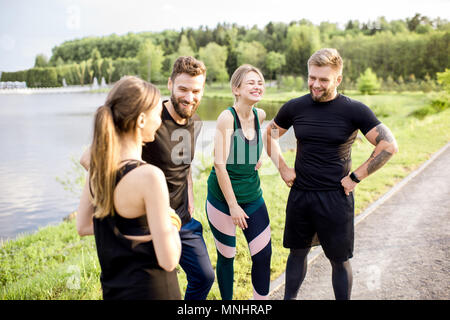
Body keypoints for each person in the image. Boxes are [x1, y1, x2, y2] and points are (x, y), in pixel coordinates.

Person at [264, 48, 398, 300]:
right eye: (312, 77)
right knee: (297, 252)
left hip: (335, 197)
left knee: (339, 260)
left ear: (338, 79)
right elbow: (269, 134)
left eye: (323, 79)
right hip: (301, 195)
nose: (315, 84)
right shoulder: (295, 106)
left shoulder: (354, 110)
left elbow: (388, 145)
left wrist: (356, 177)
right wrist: (282, 167)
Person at [80, 56, 214, 300]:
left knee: (204, 276)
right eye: (183, 89)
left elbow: (185, 164)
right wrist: (120, 200)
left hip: (181, 218)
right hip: (146, 221)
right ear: (170, 84)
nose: (189, 97)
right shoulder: (148, 118)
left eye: (196, 90)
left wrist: (190, 195)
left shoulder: (196, 122)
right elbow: (91, 156)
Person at [77, 76, 182, 300]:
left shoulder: (98, 171)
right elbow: (169, 259)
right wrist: (172, 221)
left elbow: (84, 225)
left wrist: (138, 233)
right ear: (141, 120)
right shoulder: (149, 176)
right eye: (157, 113)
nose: (160, 120)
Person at [206, 64, 271, 300]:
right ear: (236, 89)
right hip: (222, 199)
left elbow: (250, 144)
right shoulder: (226, 118)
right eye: (251, 82)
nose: (257, 86)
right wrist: (233, 206)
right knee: (227, 256)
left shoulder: (259, 115)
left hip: (253, 196)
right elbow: (219, 164)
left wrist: (256, 157)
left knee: (263, 256)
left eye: (260, 82)